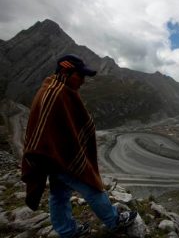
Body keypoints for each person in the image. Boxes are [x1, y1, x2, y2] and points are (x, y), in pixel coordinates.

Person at [21, 54, 137, 238]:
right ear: (67, 72)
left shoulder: (55, 89)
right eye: (80, 75)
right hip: (61, 157)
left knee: (59, 194)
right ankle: (114, 221)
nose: (82, 81)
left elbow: (62, 128)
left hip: (53, 155)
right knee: (91, 186)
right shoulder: (56, 93)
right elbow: (47, 130)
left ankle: (67, 231)